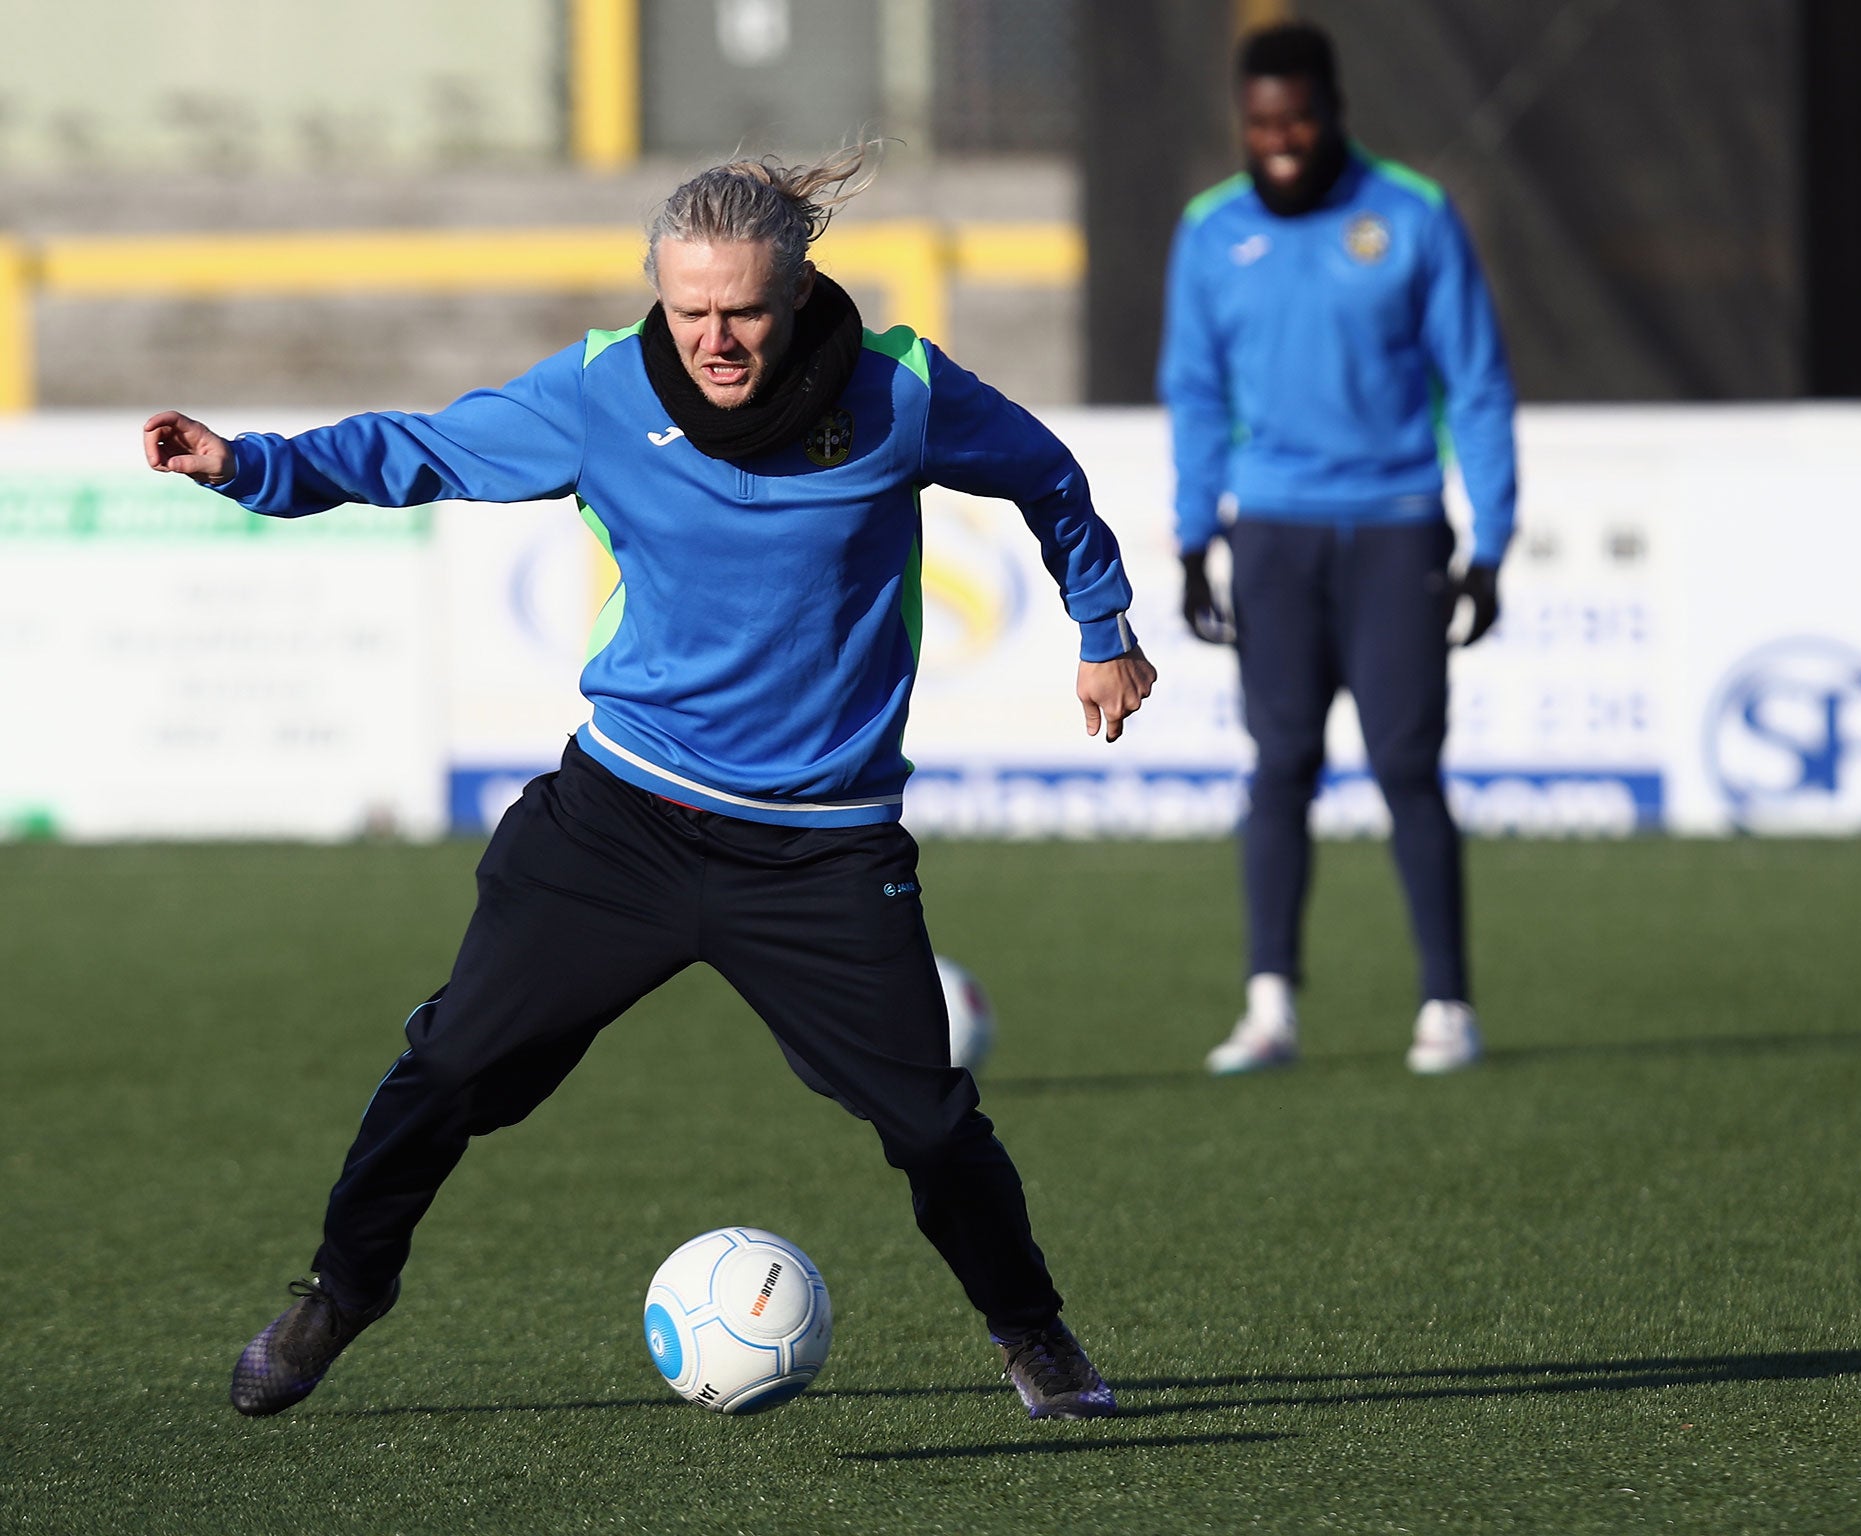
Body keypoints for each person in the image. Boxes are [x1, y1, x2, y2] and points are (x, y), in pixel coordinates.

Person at [144, 146, 1154, 1422]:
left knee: (932, 1126)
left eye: (740, 310)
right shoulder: (600, 391)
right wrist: (249, 466)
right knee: (449, 1067)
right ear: (656, 298)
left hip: (819, 847)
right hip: (617, 822)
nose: (715, 338)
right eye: (688, 311)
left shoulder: (900, 390)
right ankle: (339, 1295)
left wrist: (1102, 623)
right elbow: (425, 450)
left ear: (794, 296)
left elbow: (1045, 475)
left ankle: (1035, 1338)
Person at [1157, 23, 1516, 1077]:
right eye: (1260, 122)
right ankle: (1269, 1006)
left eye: (1298, 118)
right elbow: (1192, 392)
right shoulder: (1209, 232)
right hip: (1268, 532)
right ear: (1241, 121)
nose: (1279, 139)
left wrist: (1490, 542)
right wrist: (1190, 539)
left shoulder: (1410, 214)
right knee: (1280, 768)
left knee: (1407, 765)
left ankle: (1444, 1005)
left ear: (1333, 111)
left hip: (1396, 524)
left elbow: (1477, 381)